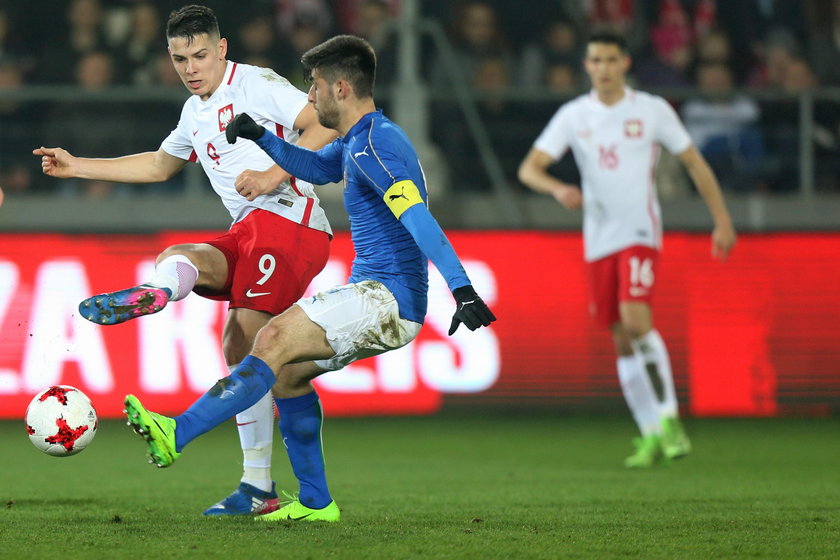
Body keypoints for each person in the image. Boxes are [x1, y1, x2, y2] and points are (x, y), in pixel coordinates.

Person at [121, 34, 496, 522]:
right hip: (377, 293)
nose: (310, 98)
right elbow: (315, 167)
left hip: (387, 296)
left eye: (315, 86)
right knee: (290, 375)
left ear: (341, 88)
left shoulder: (374, 147)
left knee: (271, 338)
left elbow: (418, 217)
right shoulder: (361, 139)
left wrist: (461, 288)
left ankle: (177, 433)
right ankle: (317, 502)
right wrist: (261, 137)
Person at [33, 4, 338, 515]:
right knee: (208, 294)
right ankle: (160, 291)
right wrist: (75, 165)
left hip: (290, 221)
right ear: (169, 58)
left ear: (221, 49)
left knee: (254, 347)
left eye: (200, 55)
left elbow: (326, 121)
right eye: (180, 59)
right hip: (249, 231)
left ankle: (255, 484)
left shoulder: (255, 83)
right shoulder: (193, 112)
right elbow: (158, 165)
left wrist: (273, 175)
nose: (191, 68)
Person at [518, 30, 736, 468]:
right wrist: (558, 188)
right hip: (598, 238)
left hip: (639, 230)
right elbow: (529, 169)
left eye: (611, 60)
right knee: (619, 338)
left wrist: (723, 220)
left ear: (625, 64)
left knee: (637, 321)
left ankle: (671, 419)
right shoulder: (574, 114)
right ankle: (651, 433)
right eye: (595, 60)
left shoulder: (652, 110)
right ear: (587, 66)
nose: (603, 68)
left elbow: (694, 161)